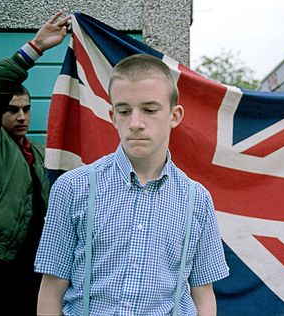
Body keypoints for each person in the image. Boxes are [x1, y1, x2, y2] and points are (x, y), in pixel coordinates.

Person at [35, 53, 229, 315]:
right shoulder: (72, 188)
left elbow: (204, 295)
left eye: (150, 110)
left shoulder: (197, 199)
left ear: (174, 115)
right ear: (113, 116)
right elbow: (52, 287)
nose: (135, 123)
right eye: (125, 111)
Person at [0, 12, 70, 315]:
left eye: (27, 109)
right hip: (0, 266)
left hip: (37, 269)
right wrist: (36, 47)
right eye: (13, 110)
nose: (22, 117)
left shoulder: (38, 154)